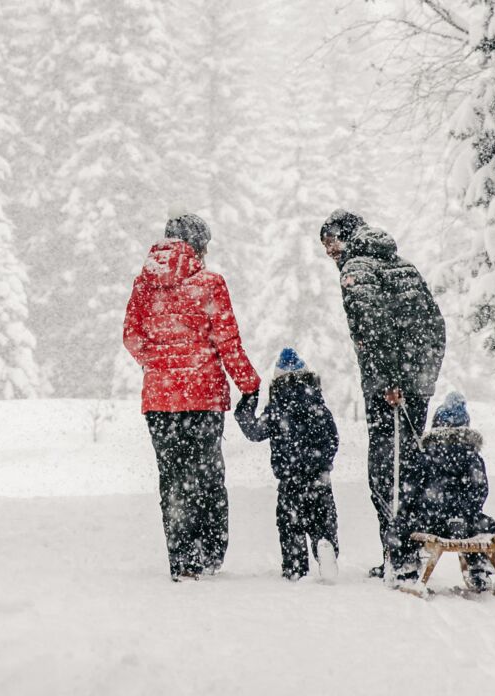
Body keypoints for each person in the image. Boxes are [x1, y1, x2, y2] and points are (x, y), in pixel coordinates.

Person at [122, 213, 261, 581]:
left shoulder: (144, 284)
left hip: (161, 401)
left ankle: (181, 559)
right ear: (198, 244)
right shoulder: (210, 283)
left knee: (172, 479)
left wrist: (160, 365)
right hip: (203, 399)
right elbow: (227, 341)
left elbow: (131, 337)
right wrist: (249, 383)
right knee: (207, 476)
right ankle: (210, 552)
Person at [318, 209, 447, 579]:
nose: (329, 252)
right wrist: (423, 379)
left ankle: (400, 557)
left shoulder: (356, 269)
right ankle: (408, 550)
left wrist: (390, 381)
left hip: (390, 387)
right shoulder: (402, 265)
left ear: (346, 237)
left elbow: (372, 327)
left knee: (386, 471)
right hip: (415, 382)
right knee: (408, 464)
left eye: (330, 242)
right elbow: (435, 324)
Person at [233, 348, 339, 580]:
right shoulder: (318, 407)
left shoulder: (276, 411)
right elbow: (333, 439)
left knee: (291, 525)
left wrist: (245, 406)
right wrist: (323, 464)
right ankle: (325, 546)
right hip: (319, 479)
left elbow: (253, 431)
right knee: (323, 519)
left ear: (277, 381)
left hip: (290, 480)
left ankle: (295, 567)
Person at [391, 392, 495, 588]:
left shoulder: (426, 455)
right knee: (486, 524)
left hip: (429, 522)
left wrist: (407, 510)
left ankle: (405, 567)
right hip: (466, 525)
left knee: (400, 525)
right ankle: (478, 567)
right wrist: (464, 512)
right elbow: (480, 491)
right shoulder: (472, 456)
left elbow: (410, 491)